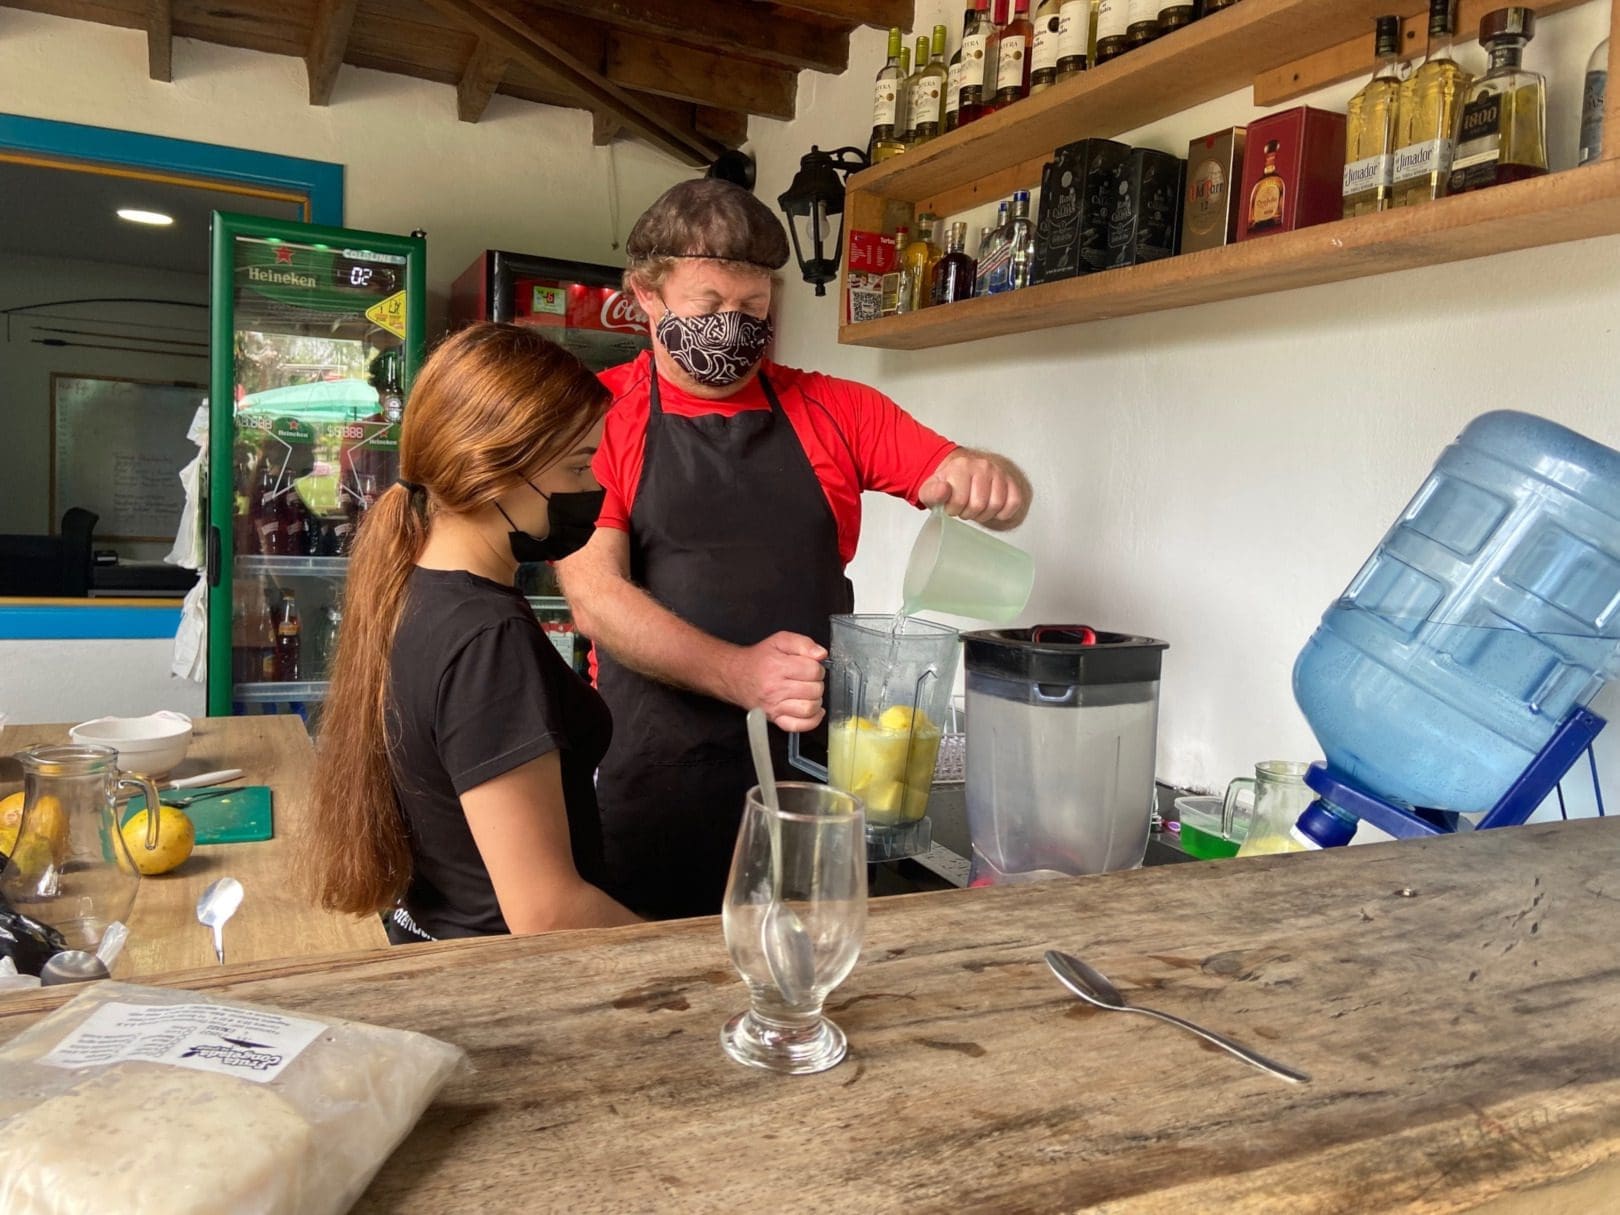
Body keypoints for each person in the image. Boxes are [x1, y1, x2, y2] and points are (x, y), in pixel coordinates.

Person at [559, 179, 1032, 920]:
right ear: (646, 296)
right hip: (657, 783)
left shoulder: (833, 408)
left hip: (813, 780)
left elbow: (959, 476)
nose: (733, 327)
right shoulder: (599, 417)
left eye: (752, 309)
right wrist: (739, 672)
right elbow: (596, 599)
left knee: (816, 978)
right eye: (708, 305)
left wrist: (990, 478)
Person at [302, 323, 639, 942]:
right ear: (494, 471)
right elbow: (547, 913)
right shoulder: (488, 640)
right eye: (578, 465)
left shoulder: (408, 586)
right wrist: (700, 957)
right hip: (509, 981)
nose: (596, 488)